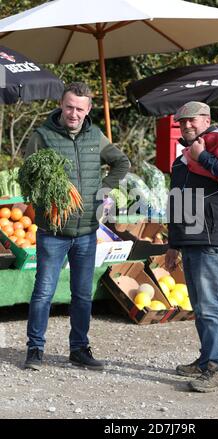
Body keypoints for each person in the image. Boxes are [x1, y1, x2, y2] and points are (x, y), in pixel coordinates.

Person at [24, 82, 130, 371]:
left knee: (82, 294)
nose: (74, 113)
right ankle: (35, 349)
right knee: (44, 292)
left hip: (86, 231)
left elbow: (122, 163)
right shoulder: (42, 136)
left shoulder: (95, 136)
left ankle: (79, 349)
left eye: (80, 109)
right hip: (53, 231)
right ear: (61, 103)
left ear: (88, 110)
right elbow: (27, 175)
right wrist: (44, 195)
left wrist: (103, 191)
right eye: (69, 106)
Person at [165, 101, 218, 392]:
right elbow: (177, 201)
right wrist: (173, 243)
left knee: (212, 306)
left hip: (215, 238)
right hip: (190, 239)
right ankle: (206, 361)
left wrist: (205, 157)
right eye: (182, 122)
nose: (186, 125)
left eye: (192, 120)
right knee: (201, 306)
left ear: (207, 120)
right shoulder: (181, 160)